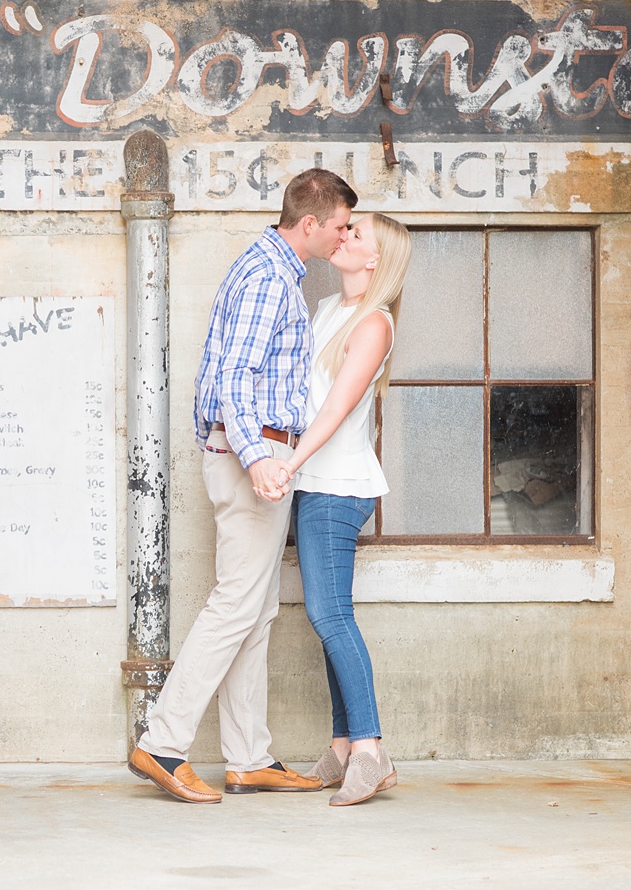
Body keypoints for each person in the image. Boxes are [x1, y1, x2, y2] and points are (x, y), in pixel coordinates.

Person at [128, 168, 357, 804]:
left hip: (251, 450)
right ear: (309, 223)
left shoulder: (276, 269)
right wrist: (259, 456)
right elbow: (233, 376)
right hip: (249, 453)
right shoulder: (267, 277)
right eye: (339, 226)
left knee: (252, 611)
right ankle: (163, 742)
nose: (343, 237)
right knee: (235, 606)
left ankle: (249, 756)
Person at [270, 212, 412, 807]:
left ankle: (371, 749)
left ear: (375, 260)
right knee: (327, 618)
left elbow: (332, 410)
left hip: (336, 486)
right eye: (345, 229)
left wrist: (288, 461)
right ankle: (341, 744)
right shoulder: (329, 309)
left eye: (357, 235)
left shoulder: (374, 323)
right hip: (314, 482)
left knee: (332, 618)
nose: (344, 236)